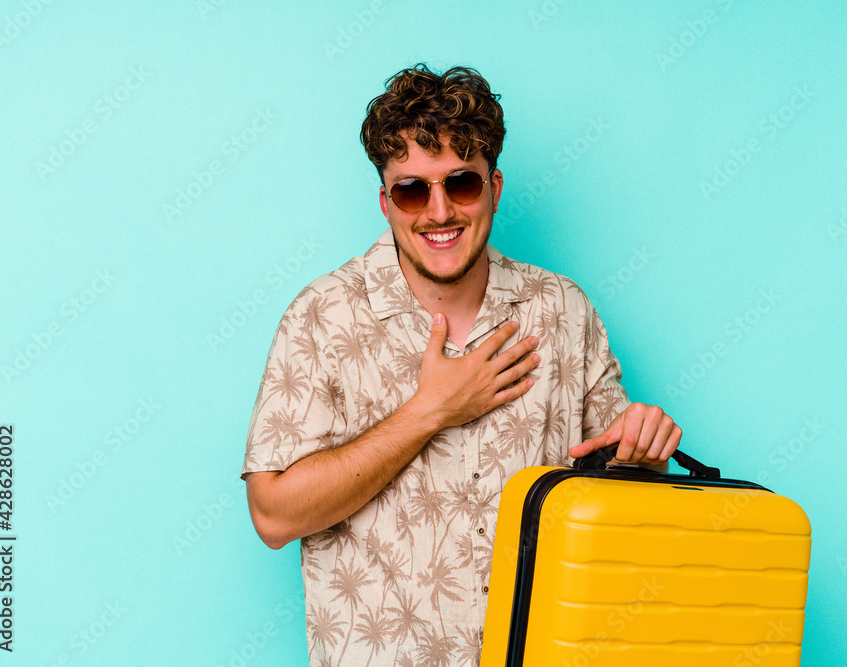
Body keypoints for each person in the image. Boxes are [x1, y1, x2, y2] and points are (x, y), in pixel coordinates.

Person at [241, 63, 682, 667]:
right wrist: (430, 411)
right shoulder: (323, 317)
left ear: (494, 187)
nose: (439, 211)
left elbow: (615, 492)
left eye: (462, 183)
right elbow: (272, 515)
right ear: (386, 202)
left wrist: (643, 452)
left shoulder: (562, 310)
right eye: (412, 189)